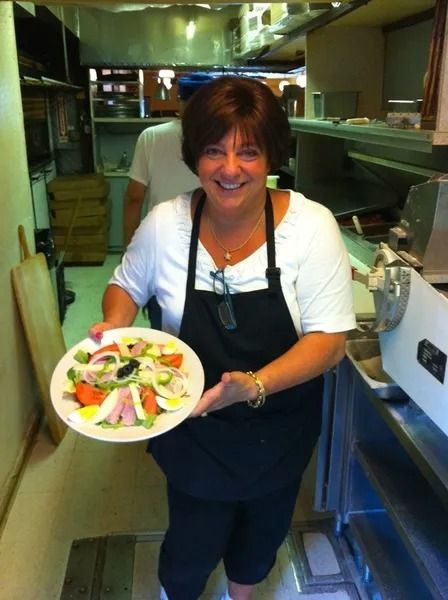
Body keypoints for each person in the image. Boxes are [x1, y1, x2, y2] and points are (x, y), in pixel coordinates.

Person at [90, 75, 356, 600]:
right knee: (190, 545)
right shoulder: (166, 224)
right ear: (193, 157)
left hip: (278, 427)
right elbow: (124, 285)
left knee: (261, 539)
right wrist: (116, 326)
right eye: (214, 151)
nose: (229, 169)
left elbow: (330, 341)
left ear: (272, 157)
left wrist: (252, 384)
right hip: (190, 429)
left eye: (248, 152)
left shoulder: (311, 227)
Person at [123, 72, 212, 248]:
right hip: (209, 241)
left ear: (180, 100)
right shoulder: (221, 138)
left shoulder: (151, 137)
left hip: (160, 238)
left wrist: (128, 249)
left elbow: (134, 198)